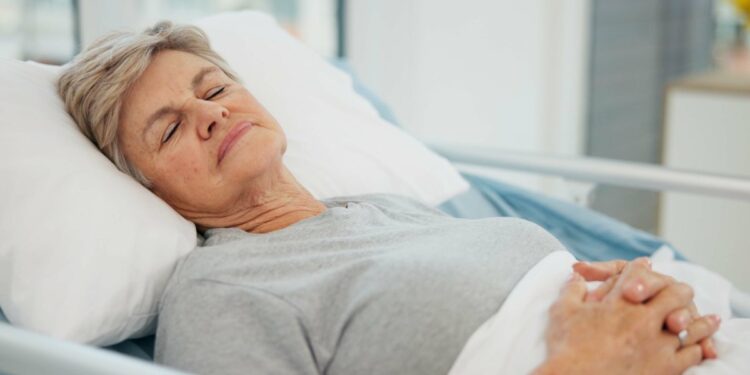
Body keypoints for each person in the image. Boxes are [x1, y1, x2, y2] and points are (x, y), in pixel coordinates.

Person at [57, 21, 720, 374]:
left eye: (213, 87)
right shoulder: (219, 293)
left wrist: (651, 298)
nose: (208, 114)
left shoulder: (384, 206)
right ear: (147, 187)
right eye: (169, 127)